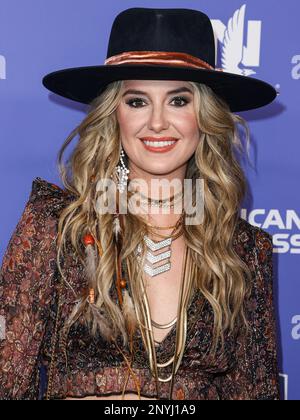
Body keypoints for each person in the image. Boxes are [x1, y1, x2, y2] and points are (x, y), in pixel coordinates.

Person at [0, 7, 281, 400]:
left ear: (205, 116)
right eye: (137, 102)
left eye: (179, 101)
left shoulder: (243, 250)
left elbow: (255, 391)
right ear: (113, 114)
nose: (158, 123)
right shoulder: (58, 225)